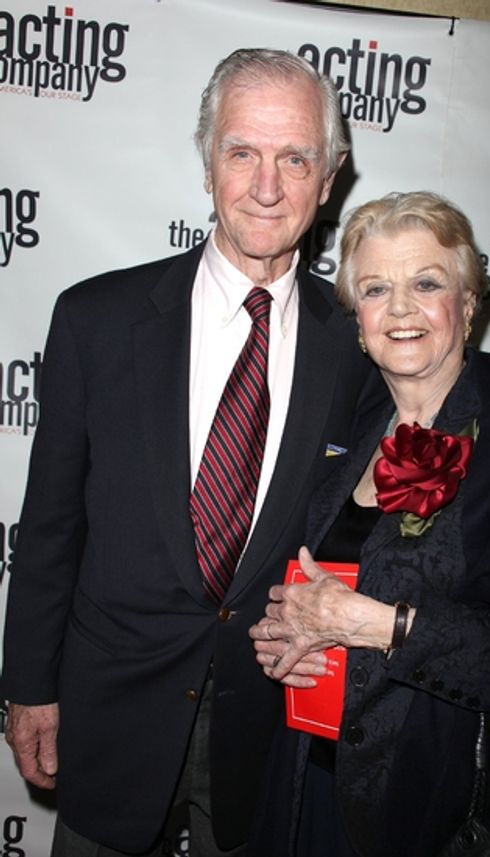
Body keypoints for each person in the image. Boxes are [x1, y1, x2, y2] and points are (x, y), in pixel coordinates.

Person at [0, 49, 385, 857]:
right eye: (241, 152)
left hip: (269, 724)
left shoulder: (359, 347)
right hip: (110, 708)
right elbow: (49, 528)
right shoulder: (95, 320)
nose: (267, 185)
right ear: (206, 162)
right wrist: (29, 688)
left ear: (331, 175)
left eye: (295, 158)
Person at [249, 191, 490, 857]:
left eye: (427, 282)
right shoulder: (349, 429)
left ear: (467, 305)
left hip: (438, 810)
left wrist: (374, 625)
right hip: (314, 786)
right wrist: (286, 635)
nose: (402, 308)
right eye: (377, 288)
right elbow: (324, 587)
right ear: (359, 321)